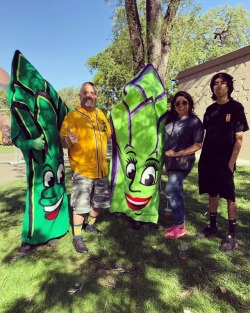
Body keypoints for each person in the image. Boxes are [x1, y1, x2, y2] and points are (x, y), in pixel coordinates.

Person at [8, 50, 70, 255]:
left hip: (56, 156)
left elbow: (65, 115)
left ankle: (55, 231)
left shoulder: (48, 96)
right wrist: (31, 143)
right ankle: (31, 237)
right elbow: (17, 138)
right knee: (38, 195)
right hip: (37, 161)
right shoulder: (19, 106)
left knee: (57, 190)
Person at [197, 73, 249, 252]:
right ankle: (212, 226)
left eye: (223, 83)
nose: (219, 86)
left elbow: (239, 138)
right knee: (212, 192)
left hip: (225, 160)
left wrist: (231, 162)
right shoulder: (210, 110)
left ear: (229, 86)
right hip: (208, 158)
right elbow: (203, 134)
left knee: (229, 195)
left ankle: (232, 235)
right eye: (215, 83)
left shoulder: (236, 108)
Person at [60, 82, 111, 253]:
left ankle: (90, 226)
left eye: (93, 93)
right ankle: (77, 236)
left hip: (102, 169)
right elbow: (63, 141)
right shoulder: (72, 116)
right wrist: (68, 140)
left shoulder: (101, 114)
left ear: (96, 96)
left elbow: (108, 135)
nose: (89, 96)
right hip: (83, 169)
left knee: (100, 202)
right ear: (80, 95)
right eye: (85, 93)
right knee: (81, 205)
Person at [163, 91, 204, 239]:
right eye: (177, 103)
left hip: (183, 161)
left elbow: (198, 144)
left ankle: (180, 226)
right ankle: (177, 224)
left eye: (184, 102)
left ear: (189, 104)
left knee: (172, 190)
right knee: (176, 191)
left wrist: (177, 153)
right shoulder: (171, 120)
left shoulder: (194, 122)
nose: (181, 105)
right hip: (170, 162)